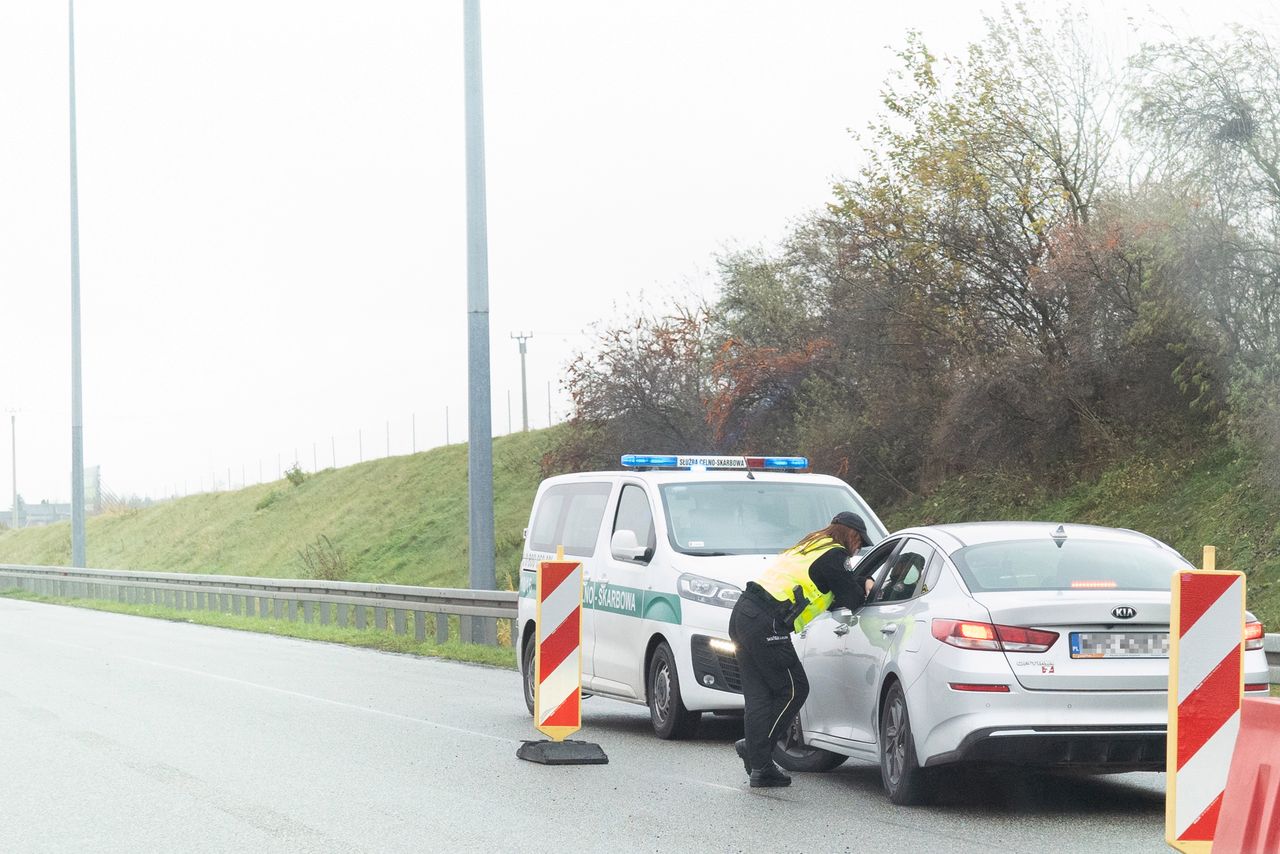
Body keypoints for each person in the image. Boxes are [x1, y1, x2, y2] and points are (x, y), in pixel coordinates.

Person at [729, 511, 877, 787]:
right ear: (851, 535)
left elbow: (827, 595)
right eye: (859, 541)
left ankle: (761, 768)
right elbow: (853, 598)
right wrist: (866, 580)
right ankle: (755, 749)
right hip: (766, 624)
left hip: (743, 615)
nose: (858, 548)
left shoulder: (808, 547)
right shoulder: (835, 556)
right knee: (793, 690)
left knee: (760, 696)